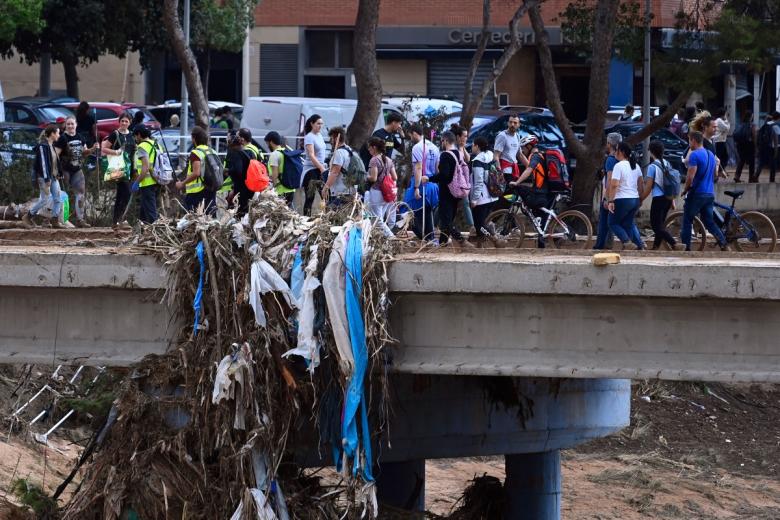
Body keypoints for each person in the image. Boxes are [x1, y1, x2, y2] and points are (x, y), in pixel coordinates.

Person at [681, 131, 729, 251]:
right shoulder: (710, 155)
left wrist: (685, 189)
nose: (689, 143)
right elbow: (715, 174)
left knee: (687, 219)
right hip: (709, 193)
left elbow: (690, 177)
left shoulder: (694, 155)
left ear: (693, 141)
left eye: (689, 140)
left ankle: (686, 248)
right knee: (709, 222)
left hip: (697, 194)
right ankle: (723, 243)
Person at [429, 131, 474, 248]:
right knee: (446, 220)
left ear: (445, 141)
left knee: (446, 220)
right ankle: (442, 244)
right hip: (457, 191)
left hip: (447, 192)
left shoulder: (445, 155)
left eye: (442, 141)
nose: (441, 143)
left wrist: (429, 179)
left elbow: (445, 175)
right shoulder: (459, 154)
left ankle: (462, 241)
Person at [508, 135, 552, 248]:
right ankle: (541, 240)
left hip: (539, 194)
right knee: (540, 218)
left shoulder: (535, 156)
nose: (522, 150)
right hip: (542, 192)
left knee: (519, 188)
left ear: (529, 146)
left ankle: (524, 209)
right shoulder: (540, 155)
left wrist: (517, 183)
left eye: (523, 148)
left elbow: (528, 169)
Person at [55, 116, 95, 227]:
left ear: (76, 125)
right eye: (68, 124)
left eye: (72, 124)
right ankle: (60, 219)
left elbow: (84, 152)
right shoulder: (62, 138)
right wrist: (57, 170)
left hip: (77, 169)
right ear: (65, 126)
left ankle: (80, 219)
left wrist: (92, 149)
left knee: (81, 194)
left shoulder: (81, 137)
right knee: (62, 194)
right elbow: (56, 155)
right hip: (65, 170)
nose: (70, 126)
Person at [22, 125, 64, 229]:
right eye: (58, 133)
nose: (59, 135)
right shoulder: (42, 146)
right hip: (45, 177)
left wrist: (59, 173)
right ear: (53, 134)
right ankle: (28, 216)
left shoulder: (52, 146)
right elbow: (44, 164)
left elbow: (54, 162)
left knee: (57, 199)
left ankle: (55, 220)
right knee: (44, 199)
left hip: (53, 177)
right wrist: (47, 178)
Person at [607, 142, 645, 250]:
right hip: (634, 199)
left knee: (612, 223)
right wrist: (640, 199)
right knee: (628, 224)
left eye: (617, 149)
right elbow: (641, 184)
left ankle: (627, 242)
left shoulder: (618, 166)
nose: (615, 152)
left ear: (622, 152)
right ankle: (636, 246)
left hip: (622, 199)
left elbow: (614, 185)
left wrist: (610, 201)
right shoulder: (636, 166)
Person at [641, 140, 677, 250]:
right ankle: (655, 247)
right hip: (667, 198)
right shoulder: (667, 163)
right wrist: (672, 200)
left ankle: (674, 243)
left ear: (651, 152)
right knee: (660, 224)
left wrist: (640, 199)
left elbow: (648, 187)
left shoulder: (652, 167)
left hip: (658, 199)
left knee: (656, 226)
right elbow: (670, 184)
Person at [101, 111, 134, 230]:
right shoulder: (114, 134)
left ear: (130, 123)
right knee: (127, 192)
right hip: (118, 167)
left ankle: (115, 221)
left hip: (129, 167)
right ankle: (122, 219)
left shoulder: (132, 135)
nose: (124, 123)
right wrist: (115, 152)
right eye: (122, 121)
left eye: (126, 121)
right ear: (119, 122)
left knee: (121, 194)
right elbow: (104, 149)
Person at [469, 136, 503, 247]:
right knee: (483, 221)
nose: (472, 147)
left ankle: (495, 239)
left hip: (482, 198)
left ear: (477, 146)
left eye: (473, 144)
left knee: (479, 225)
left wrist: (474, 199)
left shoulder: (478, 161)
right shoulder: (491, 156)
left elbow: (478, 181)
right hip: (493, 195)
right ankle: (480, 245)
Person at [175, 126, 216, 214]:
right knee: (209, 216)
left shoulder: (196, 153)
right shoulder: (212, 151)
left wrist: (182, 183)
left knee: (193, 219)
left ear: (194, 138)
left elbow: (196, 173)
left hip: (197, 192)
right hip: (211, 188)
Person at [410, 123, 440, 241]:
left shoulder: (417, 147)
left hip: (421, 182)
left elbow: (418, 167)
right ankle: (429, 238)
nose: (410, 139)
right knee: (426, 211)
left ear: (414, 133)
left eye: (410, 136)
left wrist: (416, 187)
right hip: (432, 183)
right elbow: (438, 168)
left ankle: (424, 237)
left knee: (405, 210)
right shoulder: (434, 146)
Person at [365, 136, 398, 237]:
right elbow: (395, 177)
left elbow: (373, 178)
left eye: (369, 148)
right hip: (387, 193)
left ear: (374, 147)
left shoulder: (374, 160)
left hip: (377, 192)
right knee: (380, 219)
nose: (369, 150)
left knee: (377, 220)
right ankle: (383, 239)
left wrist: (365, 177)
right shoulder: (388, 160)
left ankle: (391, 237)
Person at [594, 132, 622, 249]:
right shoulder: (622, 159)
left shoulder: (610, 160)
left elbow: (610, 180)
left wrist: (607, 198)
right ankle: (607, 244)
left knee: (604, 222)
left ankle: (600, 245)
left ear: (609, 144)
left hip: (611, 195)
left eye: (607, 143)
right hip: (621, 195)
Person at [131, 125, 159, 224]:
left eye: (135, 136)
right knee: (144, 210)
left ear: (138, 135)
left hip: (147, 183)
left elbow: (145, 167)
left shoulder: (142, 146)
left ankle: (156, 233)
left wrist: (137, 181)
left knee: (151, 212)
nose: (135, 139)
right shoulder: (156, 144)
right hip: (157, 181)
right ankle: (142, 231)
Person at [301, 114, 327, 216]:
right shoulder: (309, 137)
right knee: (309, 198)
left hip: (320, 169)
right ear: (312, 124)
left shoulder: (319, 135)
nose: (320, 126)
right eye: (318, 124)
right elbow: (311, 155)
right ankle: (305, 220)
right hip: (311, 171)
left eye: (321, 124)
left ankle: (327, 218)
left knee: (325, 195)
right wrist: (321, 168)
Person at [321, 126, 354, 206]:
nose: (330, 141)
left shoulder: (339, 153)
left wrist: (326, 187)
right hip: (349, 190)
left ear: (336, 138)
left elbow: (335, 172)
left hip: (339, 192)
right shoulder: (349, 150)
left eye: (331, 138)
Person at [224, 131, 254, 217]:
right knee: (245, 211)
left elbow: (238, 170)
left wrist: (228, 171)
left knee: (240, 212)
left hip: (241, 188)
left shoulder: (237, 153)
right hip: (248, 187)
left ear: (232, 145)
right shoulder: (246, 152)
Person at [452, 123, 475, 234]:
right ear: (458, 137)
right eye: (464, 136)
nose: (466, 138)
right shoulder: (453, 147)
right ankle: (437, 224)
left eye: (466, 136)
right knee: (445, 204)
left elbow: (468, 159)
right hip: (453, 181)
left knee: (465, 202)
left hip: (461, 181)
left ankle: (471, 226)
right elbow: (460, 160)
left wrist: (463, 147)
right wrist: (461, 148)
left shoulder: (461, 147)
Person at [265, 131, 296, 207]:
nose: (267, 146)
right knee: (288, 211)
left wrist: (273, 188)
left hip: (281, 190)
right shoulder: (287, 151)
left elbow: (275, 174)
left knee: (281, 214)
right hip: (291, 188)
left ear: (271, 142)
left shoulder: (274, 154)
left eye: (267, 143)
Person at [493, 114, 523, 184]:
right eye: (510, 122)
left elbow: (520, 155)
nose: (512, 124)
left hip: (514, 170)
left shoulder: (517, 136)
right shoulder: (502, 136)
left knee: (513, 193)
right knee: (507, 194)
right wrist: (499, 172)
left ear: (519, 124)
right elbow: (496, 156)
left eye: (515, 123)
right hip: (505, 171)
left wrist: (530, 167)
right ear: (508, 123)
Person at [733, 111, 755, 183]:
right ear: (751, 117)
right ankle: (751, 178)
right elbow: (754, 136)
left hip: (740, 145)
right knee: (752, 162)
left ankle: (737, 176)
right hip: (749, 145)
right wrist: (756, 146)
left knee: (741, 160)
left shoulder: (740, 124)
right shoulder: (751, 125)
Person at [755, 112, 778, 183]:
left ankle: (755, 177)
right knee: (773, 164)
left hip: (763, 147)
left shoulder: (765, 125)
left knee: (761, 163)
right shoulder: (776, 125)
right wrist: (776, 150)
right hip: (771, 147)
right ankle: (772, 179)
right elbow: (776, 138)